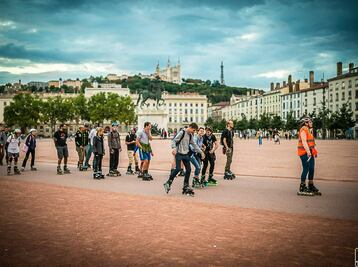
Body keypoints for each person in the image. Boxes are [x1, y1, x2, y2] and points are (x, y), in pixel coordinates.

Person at [163, 123, 205, 196]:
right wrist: (173, 148)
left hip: (186, 154)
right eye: (193, 130)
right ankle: (168, 182)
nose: (194, 132)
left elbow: (194, 145)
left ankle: (185, 185)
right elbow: (174, 141)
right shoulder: (182, 132)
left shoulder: (190, 135)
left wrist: (201, 152)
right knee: (178, 169)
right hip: (179, 153)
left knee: (188, 170)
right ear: (190, 127)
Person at [297, 117, 320, 196]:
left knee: (312, 169)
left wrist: (315, 151)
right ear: (306, 123)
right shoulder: (303, 130)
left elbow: (312, 142)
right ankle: (302, 186)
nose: (311, 123)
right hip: (304, 153)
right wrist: (307, 152)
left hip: (310, 153)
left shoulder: (310, 131)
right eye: (310, 122)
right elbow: (304, 142)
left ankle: (310, 185)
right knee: (306, 169)